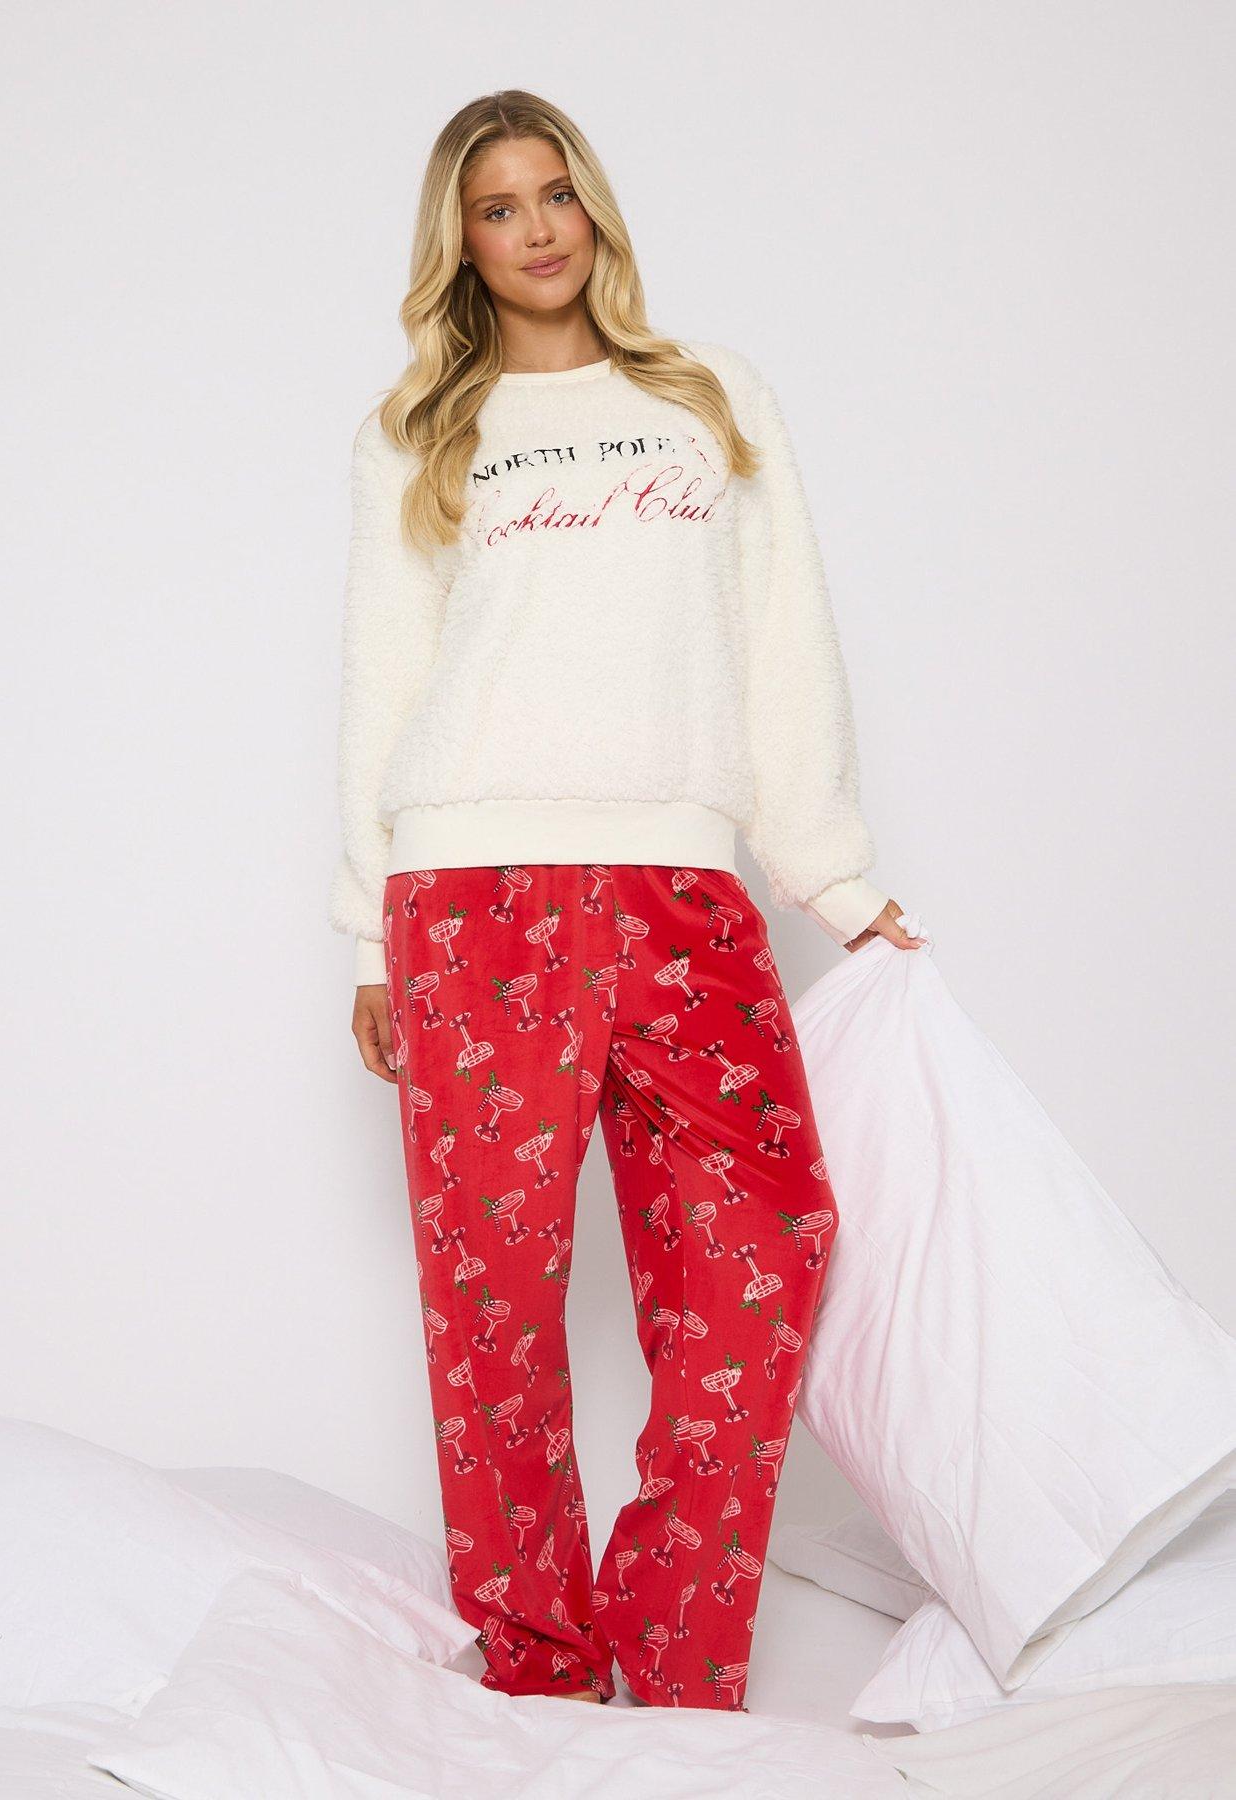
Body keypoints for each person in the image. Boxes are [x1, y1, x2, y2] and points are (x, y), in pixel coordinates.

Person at [328, 88, 923, 1712]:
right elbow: (382, 680)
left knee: (764, 1243)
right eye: (497, 207)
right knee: (494, 1301)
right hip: (472, 895)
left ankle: (671, 1657)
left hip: (681, 887)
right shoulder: (415, 430)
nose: (536, 230)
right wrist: (370, 925)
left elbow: (781, 639)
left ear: (593, 207)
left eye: (555, 194)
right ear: (459, 242)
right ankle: (537, 1664)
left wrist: (831, 875)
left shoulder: (707, 398)